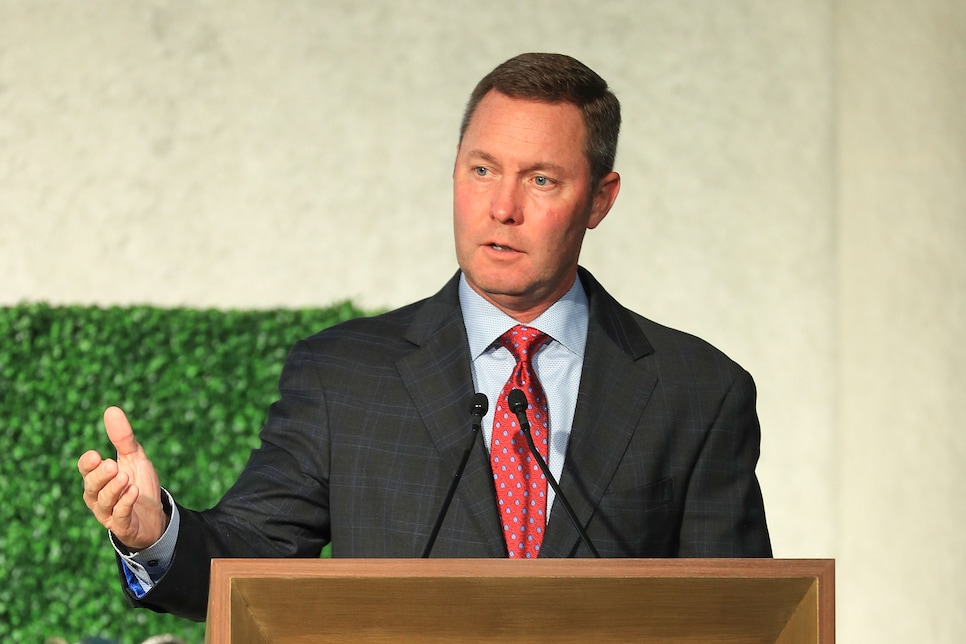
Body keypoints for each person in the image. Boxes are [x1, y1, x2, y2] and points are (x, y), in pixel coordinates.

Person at [78, 52, 771, 622]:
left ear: (600, 199)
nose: (502, 207)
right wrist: (155, 533)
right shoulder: (342, 376)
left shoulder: (698, 392)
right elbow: (246, 562)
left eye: (541, 179)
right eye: (482, 169)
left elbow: (739, 620)